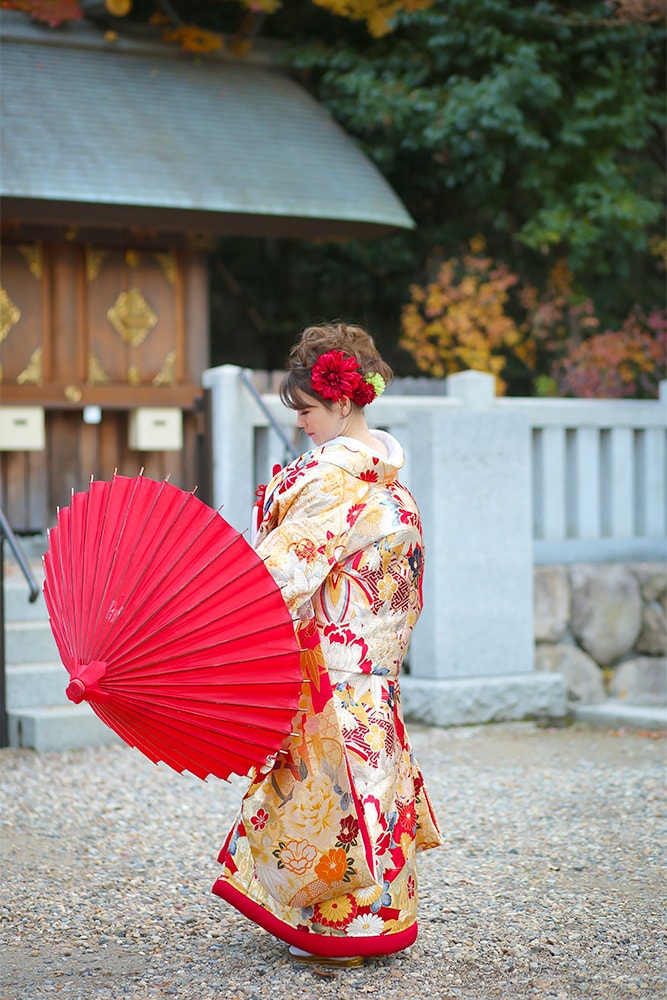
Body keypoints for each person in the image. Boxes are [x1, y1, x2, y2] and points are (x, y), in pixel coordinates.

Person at [212, 322, 442, 967]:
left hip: (329, 671)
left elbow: (278, 575)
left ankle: (340, 932)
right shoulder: (393, 481)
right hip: (374, 671)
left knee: (329, 799)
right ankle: (377, 919)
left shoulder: (328, 481)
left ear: (342, 401)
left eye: (308, 410)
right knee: (371, 789)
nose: (302, 425)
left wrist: (227, 627)